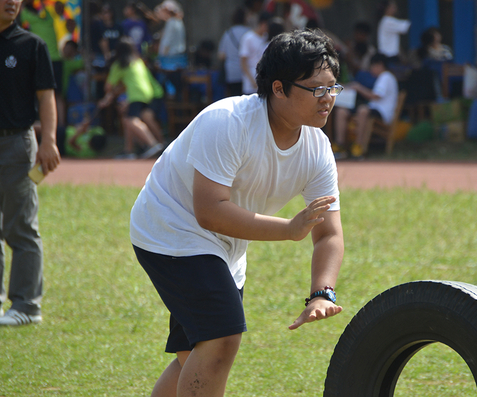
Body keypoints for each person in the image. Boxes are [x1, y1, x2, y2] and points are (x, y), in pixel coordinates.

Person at [129, 28, 344, 397]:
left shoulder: (317, 148)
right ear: (279, 88)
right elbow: (209, 211)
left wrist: (322, 293)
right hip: (170, 227)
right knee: (221, 336)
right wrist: (290, 229)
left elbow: (328, 233)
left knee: (192, 355)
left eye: (333, 88)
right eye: (316, 89)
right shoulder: (228, 121)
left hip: (225, 247)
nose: (327, 99)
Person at [0, 0, 60, 326]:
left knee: (20, 226)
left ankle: (26, 306)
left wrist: (49, 141)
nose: (12, 2)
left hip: (16, 144)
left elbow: (46, 96)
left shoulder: (31, 45)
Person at [98, 37, 163, 159]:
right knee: (127, 119)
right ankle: (129, 150)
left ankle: (152, 143)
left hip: (136, 94)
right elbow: (128, 83)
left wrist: (108, 97)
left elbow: (108, 87)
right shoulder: (138, 61)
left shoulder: (119, 65)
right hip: (147, 93)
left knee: (130, 120)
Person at [333, 53, 398, 159]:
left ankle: (358, 146)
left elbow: (375, 95)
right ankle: (340, 146)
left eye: (372, 66)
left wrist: (358, 88)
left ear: (380, 65)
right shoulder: (383, 77)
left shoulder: (386, 77)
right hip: (373, 109)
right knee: (342, 111)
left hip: (382, 112)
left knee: (363, 111)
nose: (371, 70)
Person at [218, 7, 251, 97]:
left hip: (231, 72)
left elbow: (221, 55)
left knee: (234, 99)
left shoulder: (228, 33)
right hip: (247, 74)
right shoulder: (249, 33)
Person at [239, 11, 270, 95]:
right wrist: (252, 80)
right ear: (263, 24)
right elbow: (243, 62)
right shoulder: (248, 38)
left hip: (263, 81)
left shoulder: (267, 38)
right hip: (250, 83)